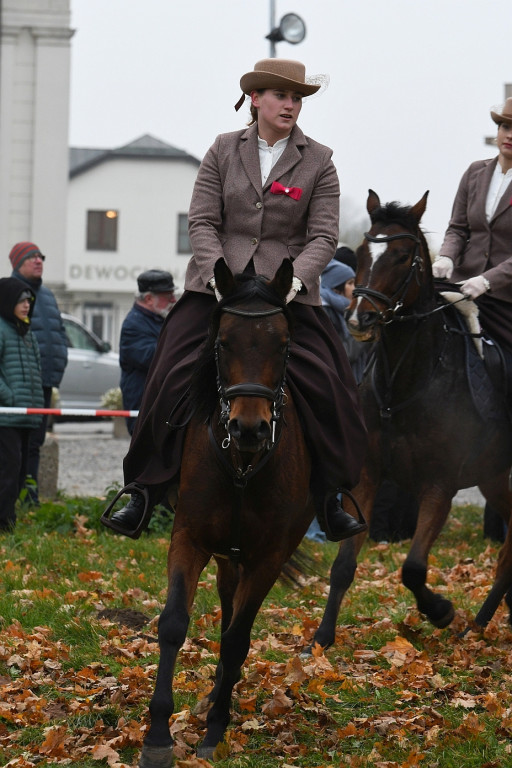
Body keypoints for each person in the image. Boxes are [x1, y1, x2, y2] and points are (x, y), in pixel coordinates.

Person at [106, 58, 368, 541]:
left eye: (296, 98)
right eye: (281, 96)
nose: (290, 104)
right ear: (255, 99)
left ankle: (331, 496)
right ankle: (142, 488)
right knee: (168, 371)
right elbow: (202, 221)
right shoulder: (223, 150)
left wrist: (295, 283)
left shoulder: (320, 160)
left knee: (331, 382)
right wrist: (218, 276)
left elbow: (324, 236)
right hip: (217, 292)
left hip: (284, 298)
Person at [433, 97, 512, 544]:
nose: (509, 134)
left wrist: (490, 279)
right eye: (504, 125)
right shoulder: (475, 172)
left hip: (504, 299)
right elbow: (459, 226)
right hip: (462, 287)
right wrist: (446, 256)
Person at [9, 242, 68, 505]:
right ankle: (13, 497)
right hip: (16, 384)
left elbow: (59, 332)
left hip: (42, 383)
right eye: (32, 257)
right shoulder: (9, 292)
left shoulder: (46, 295)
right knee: (14, 446)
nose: (38, 261)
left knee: (36, 442)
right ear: (17, 263)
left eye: (41, 257)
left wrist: (60, 361)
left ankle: (29, 497)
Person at [0, 277, 44, 531]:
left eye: (29, 300)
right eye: (21, 300)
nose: (26, 305)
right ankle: (3, 523)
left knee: (19, 474)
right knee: (8, 470)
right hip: (7, 415)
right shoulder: (2, 329)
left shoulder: (27, 332)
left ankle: (8, 519)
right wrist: (10, 398)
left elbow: (36, 371)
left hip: (27, 415)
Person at [120, 269, 176, 435]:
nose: (174, 300)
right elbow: (156, 358)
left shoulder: (158, 319)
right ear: (149, 299)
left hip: (158, 400)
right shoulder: (133, 325)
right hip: (143, 403)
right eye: (168, 296)